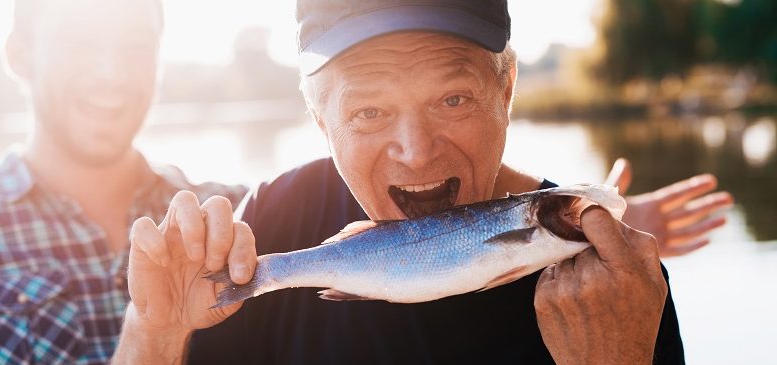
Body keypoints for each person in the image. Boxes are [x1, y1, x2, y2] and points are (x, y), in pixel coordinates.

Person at [115, 1, 735, 364]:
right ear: (319, 120)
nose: (416, 153)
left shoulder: (616, 286)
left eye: (454, 98)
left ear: (507, 89)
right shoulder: (268, 224)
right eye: (369, 112)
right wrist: (155, 335)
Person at [0, 0, 246, 363]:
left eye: (137, 47)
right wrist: (155, 336)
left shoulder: (238, 217)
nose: (113, 74)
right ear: (21, 57)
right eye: (80, 43)